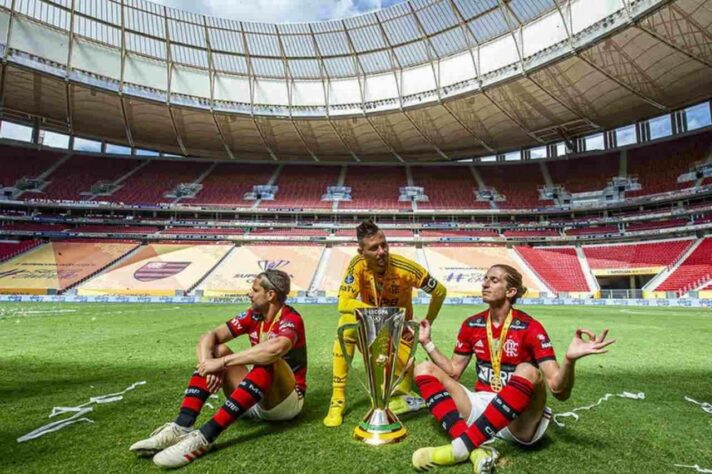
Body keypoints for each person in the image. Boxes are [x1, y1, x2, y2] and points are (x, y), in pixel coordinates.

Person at [411, 264, 614, 472]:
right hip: (480, 407)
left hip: (519, 420)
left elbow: (558, 390)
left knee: (527, 370)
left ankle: (460, 447)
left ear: (511, 291)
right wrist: (427, 343)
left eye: (494, 280)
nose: (484, 283)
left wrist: (569, 361)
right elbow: (453, 371)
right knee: (423, 368)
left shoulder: (530, 328)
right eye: (485, 278)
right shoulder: (472, 325)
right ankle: (472, 448)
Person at [129, 269, 307, 468]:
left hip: (283, 404)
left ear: (270, 295)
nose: (250, 293)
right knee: (217, 349)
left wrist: (221, 363)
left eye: (255, 290)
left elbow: (276, 349)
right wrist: (209, 363)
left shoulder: (291, 318)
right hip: (252, 398)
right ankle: (182, 426)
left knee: (269, 358)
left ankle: (204, 438)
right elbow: (209, 336)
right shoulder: (254, 316)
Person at [323, 219, 447, 427]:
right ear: (361, 252)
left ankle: (402, 385)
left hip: (399, 338)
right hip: (373, 332)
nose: (382, 251)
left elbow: (440, 291)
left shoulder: (405, 268)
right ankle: (337, 400)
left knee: (395, 396)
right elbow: (343, 303)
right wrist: (382, 316)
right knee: (345, 324)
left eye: (384, 244)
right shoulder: (357, 264)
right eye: (374, 248)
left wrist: (429, 320)